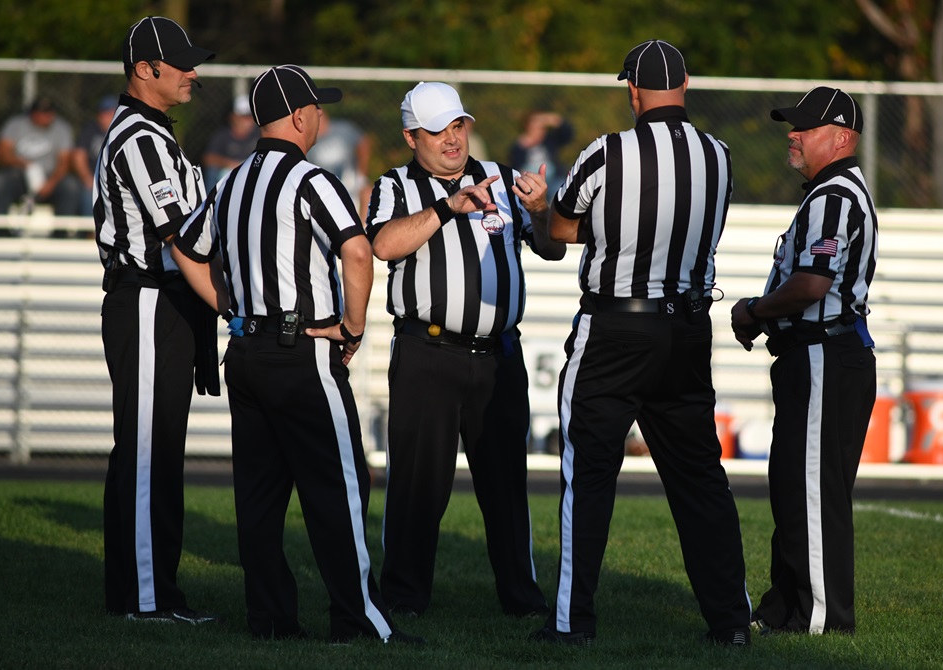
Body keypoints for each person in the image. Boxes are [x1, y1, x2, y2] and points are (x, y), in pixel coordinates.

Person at [172, 64, 421, 645]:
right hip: (302, 350)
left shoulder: (231, 182)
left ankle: (270, 620)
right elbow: (357, 254)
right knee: (340, 486)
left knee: (258, 498)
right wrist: (350, 328)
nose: (321, 119)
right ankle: (358, 620)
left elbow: (185, 247)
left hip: (248, 349)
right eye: (317, 109)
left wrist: (230, 310)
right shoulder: (312, 180)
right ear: (301, 116)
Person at [529, 40, 752, 647]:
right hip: (686, 329)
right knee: (701, 477)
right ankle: (731, 623)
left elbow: (564, 229)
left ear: (632, 91)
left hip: (616, 328)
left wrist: (541, 207)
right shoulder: (720, 156)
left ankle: (573, 623)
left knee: (590, 474)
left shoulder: (607, 152)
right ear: (686, 84)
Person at [366, 81, 565, 619]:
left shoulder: (498, 177)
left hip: (499, 356)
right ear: (411, 136)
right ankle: (404, 600)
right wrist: (448, 206)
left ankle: (521, 599)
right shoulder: (396, 185)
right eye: (438, 130)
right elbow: (383, 244)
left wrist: (543, 210)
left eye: (458, 126)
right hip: (428, 355)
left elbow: (550, 249)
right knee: (416, 487)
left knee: (506, 488)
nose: (453, 140)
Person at [730, 86, 878, 636]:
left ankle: (820, 617)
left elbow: (813, 285)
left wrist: (754, 312)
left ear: (841, 137)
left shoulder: (834, 196)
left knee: (812, 490)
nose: (792, 135)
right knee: (793, 486)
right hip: (816, 355)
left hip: (824, 354)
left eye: (806, 127)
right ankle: (784, 607)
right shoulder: (825, 192)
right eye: (793, 125)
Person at [95, 16, 220, 625]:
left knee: (154, 451)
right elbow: (183, 235)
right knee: (150, 454)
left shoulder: (155, 135)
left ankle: (137, 593)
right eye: (182, 63)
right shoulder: (140, 138)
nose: (193, 73)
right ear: (147, 70)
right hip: (146, 298)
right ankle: (148, 601)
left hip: (160, 302)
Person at [0, 95, 82, 217]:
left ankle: (62, 233)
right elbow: (3, 153)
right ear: (33, 113)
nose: (47, 117)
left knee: (71, 187)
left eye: (49, 112)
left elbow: (64, 162)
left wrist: (50, 183)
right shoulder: (15, 125)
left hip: (51, 176)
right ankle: (1, 231)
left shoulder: (62, 128)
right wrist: (25, 164)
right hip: (19, 175)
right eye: (42, 113)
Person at [307, 113, 371, 217]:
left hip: (349, 178)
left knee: (366, 192)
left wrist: (361, 174)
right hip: (323, 185)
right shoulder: (310, 139)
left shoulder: (343, 129)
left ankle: (364, 229)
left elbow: (363, 144)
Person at [201, 94, 259, 191]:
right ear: (233, 117)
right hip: (227, 173)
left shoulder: (259, 134)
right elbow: (208, 158)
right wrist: (230, 164)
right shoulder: (222, 135)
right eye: (244, 116)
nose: (249, 120)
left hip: (253, 172)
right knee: (212, 171)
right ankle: (210, 202)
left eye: (250, 116)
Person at [509, 111, 573, 196]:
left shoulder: (549, 141)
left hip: (553, 179)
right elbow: (515, 167)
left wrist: (552, 119)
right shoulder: (519, 146)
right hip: (531, 181)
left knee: (561, 189)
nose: (540, 130)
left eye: (542, 127)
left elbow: (567, 133)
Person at [74, 95, 116, 219]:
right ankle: (90, 233)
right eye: (104, 112)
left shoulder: (123, 131)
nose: (106, 116)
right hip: (94, 179)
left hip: (116, 180)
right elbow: (78, 156)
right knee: (89, 194)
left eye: (110, 112)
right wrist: (88, 179)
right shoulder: (90, 131)